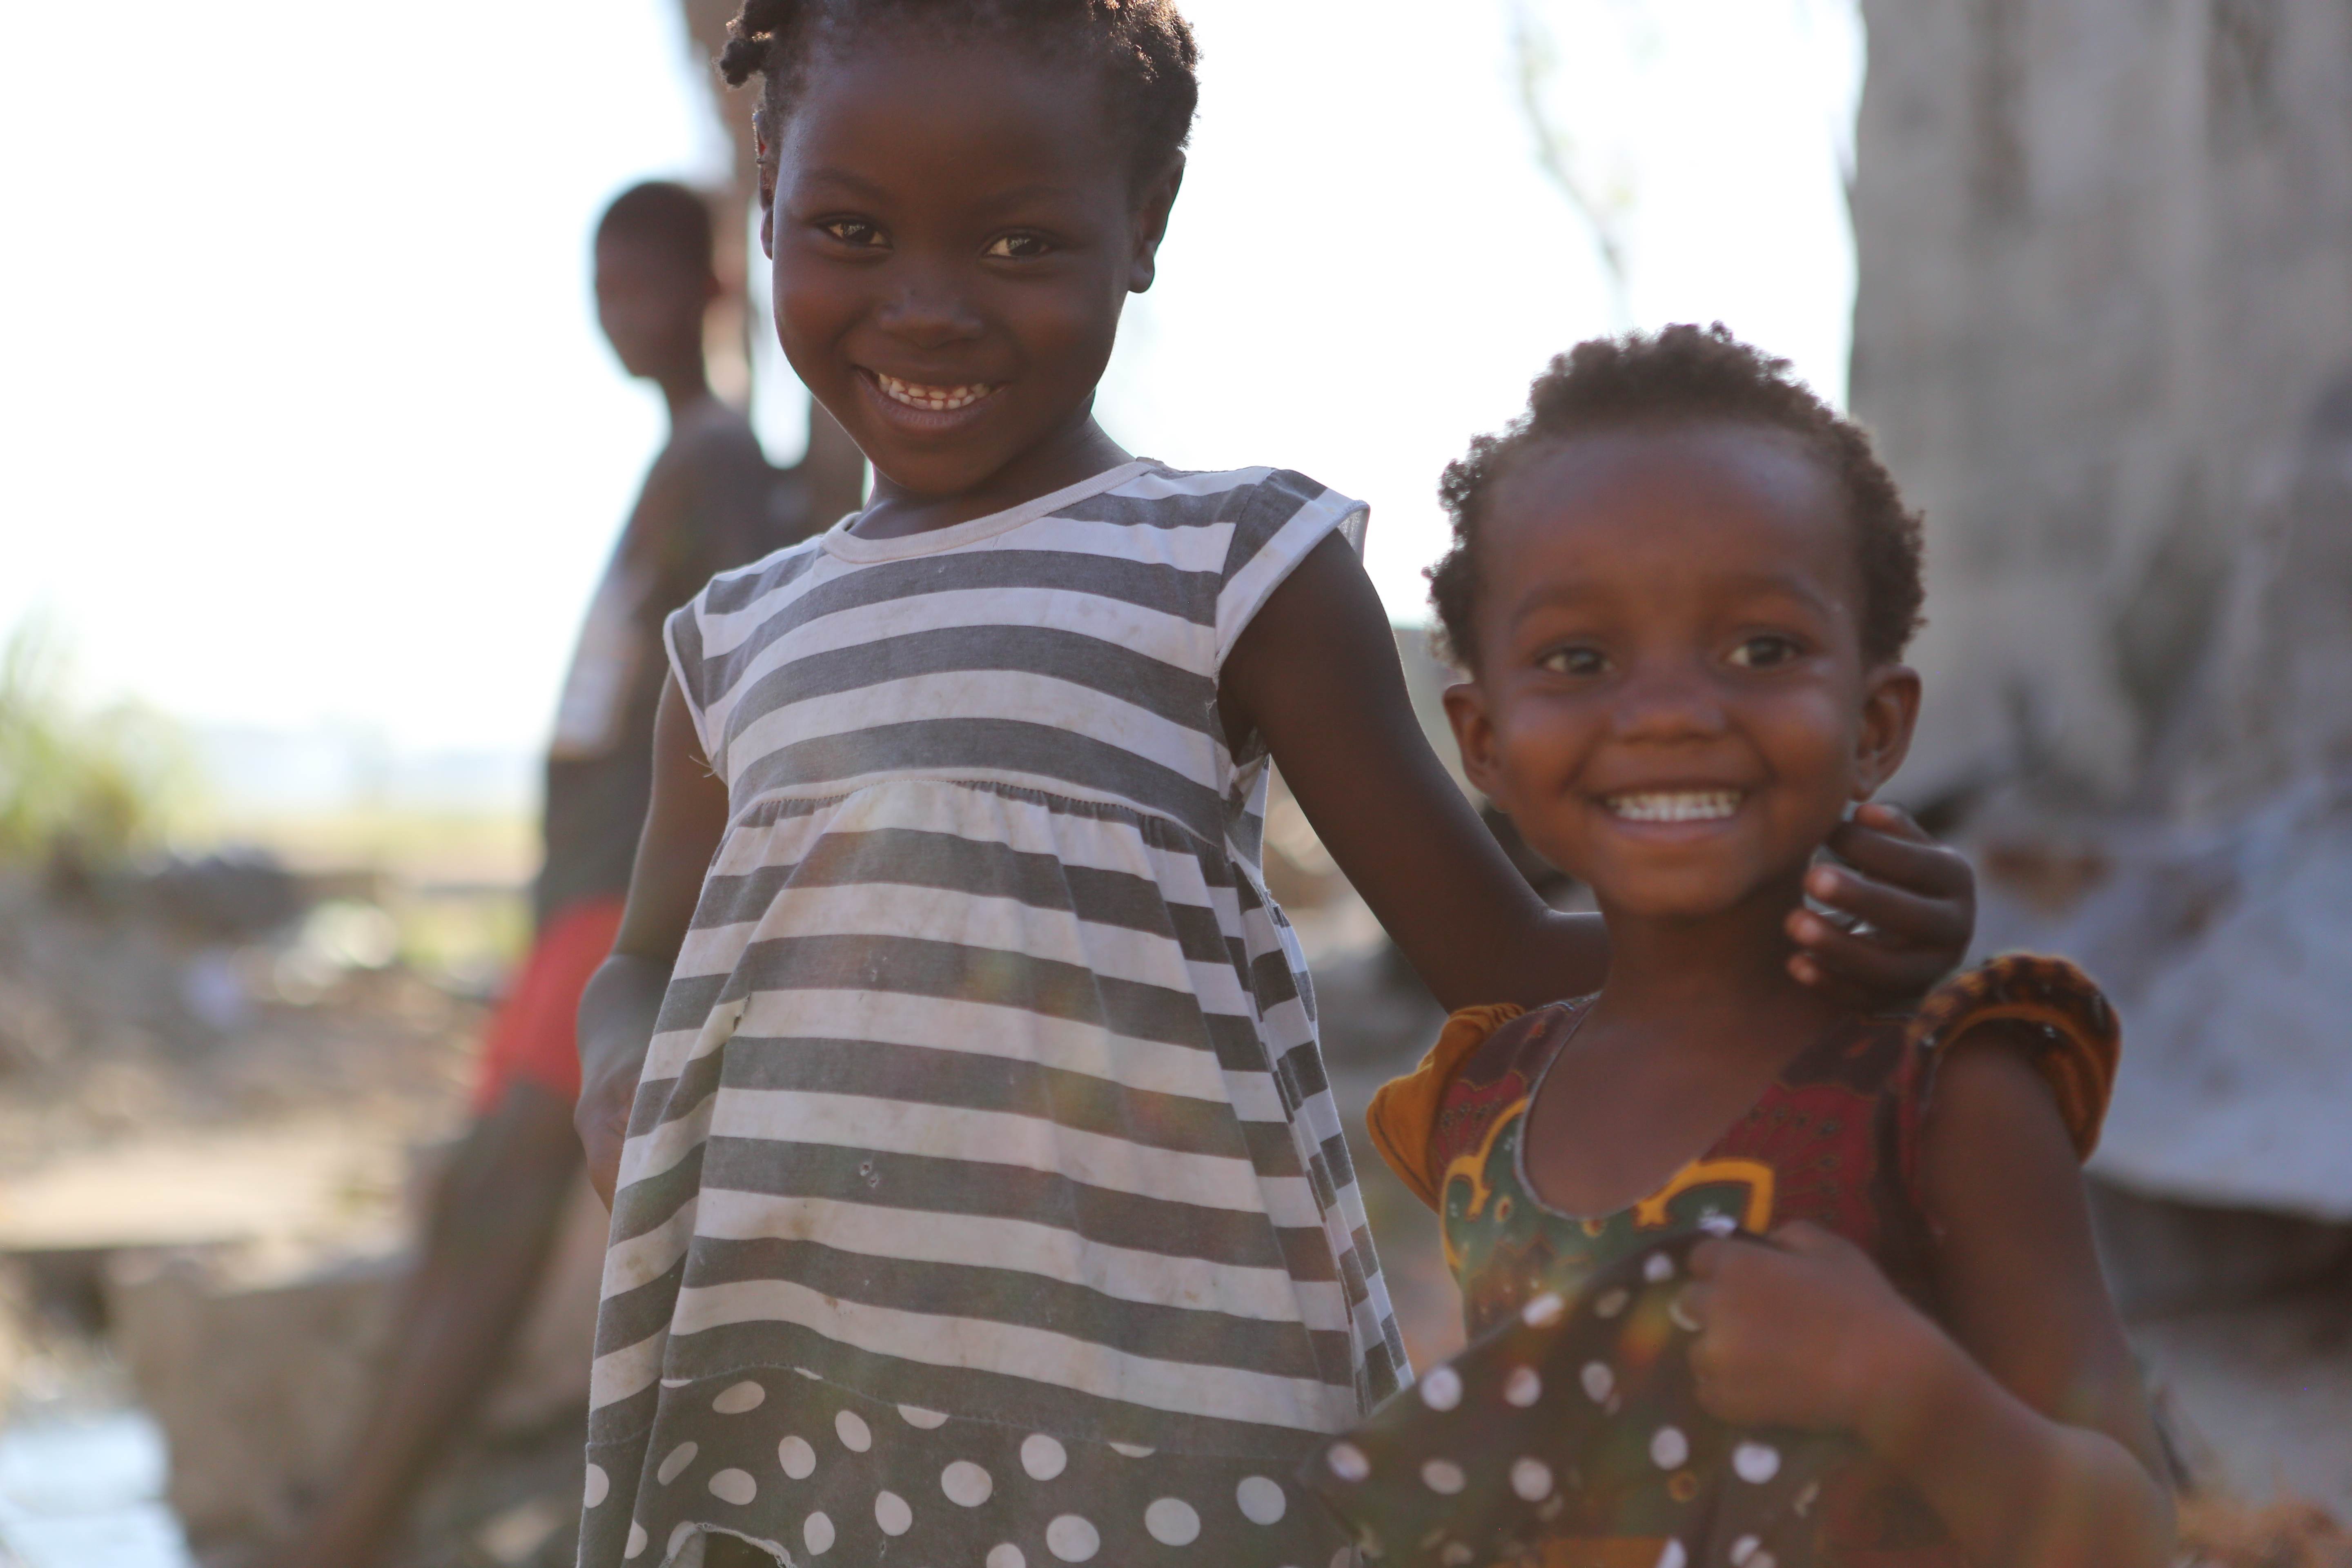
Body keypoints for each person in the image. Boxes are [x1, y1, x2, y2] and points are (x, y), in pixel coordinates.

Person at [570, 9, 1981, 1566]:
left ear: (1146, 226)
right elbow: (643, 957)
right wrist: (619, 1059)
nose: (929, 307)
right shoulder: (732, 643)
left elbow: (1502, 969)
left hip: (1166, 1423)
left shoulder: (1235, 567)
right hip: (801, 1401)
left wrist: (1807, 936)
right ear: (765, 195)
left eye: (1021, 243)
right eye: (850, 229)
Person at [1354, 325, 2174, 1567]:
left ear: (1876, 722)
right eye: (1580, 659)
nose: (1675, 710)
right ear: (1484, 743)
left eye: (1761, 650)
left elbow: (2133, 1529)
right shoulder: (1485, 1103)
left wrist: (1896, 1384)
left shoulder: (1945, 1094)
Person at [270, 182, 808, 1568]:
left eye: (643, 287)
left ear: (708, 294)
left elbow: (708, 698)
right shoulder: (683, 459)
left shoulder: (721, 466)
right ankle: (359, 1510)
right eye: (601, 288)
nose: (618, 316)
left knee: (505, 1184)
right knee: (475, 1191)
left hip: (613, 894)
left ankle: (349, 1532)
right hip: (576, 891)